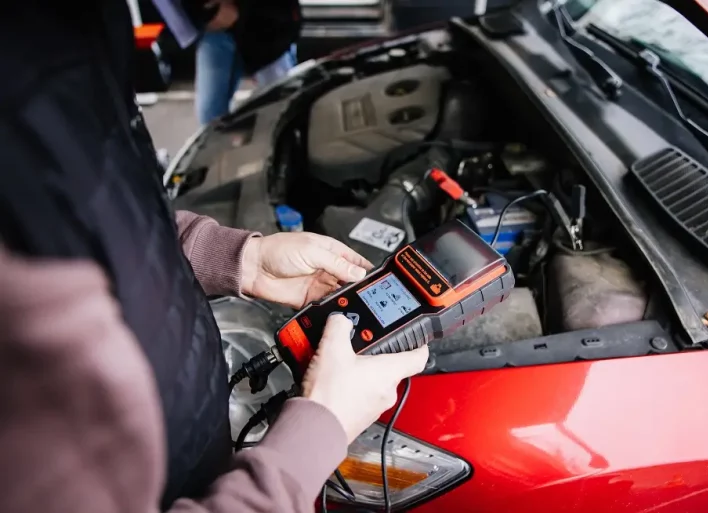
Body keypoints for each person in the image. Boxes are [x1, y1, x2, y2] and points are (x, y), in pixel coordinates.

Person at [0, 1, 427, 512]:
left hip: (196, 435)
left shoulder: (66, 28)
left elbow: (94, 224)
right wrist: (318, 429)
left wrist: (238, 258)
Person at [152, 0, 299, 124]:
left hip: (268, 25)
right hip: (218, 29)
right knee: (210, 115)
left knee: (280, 110)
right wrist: (208, 13)